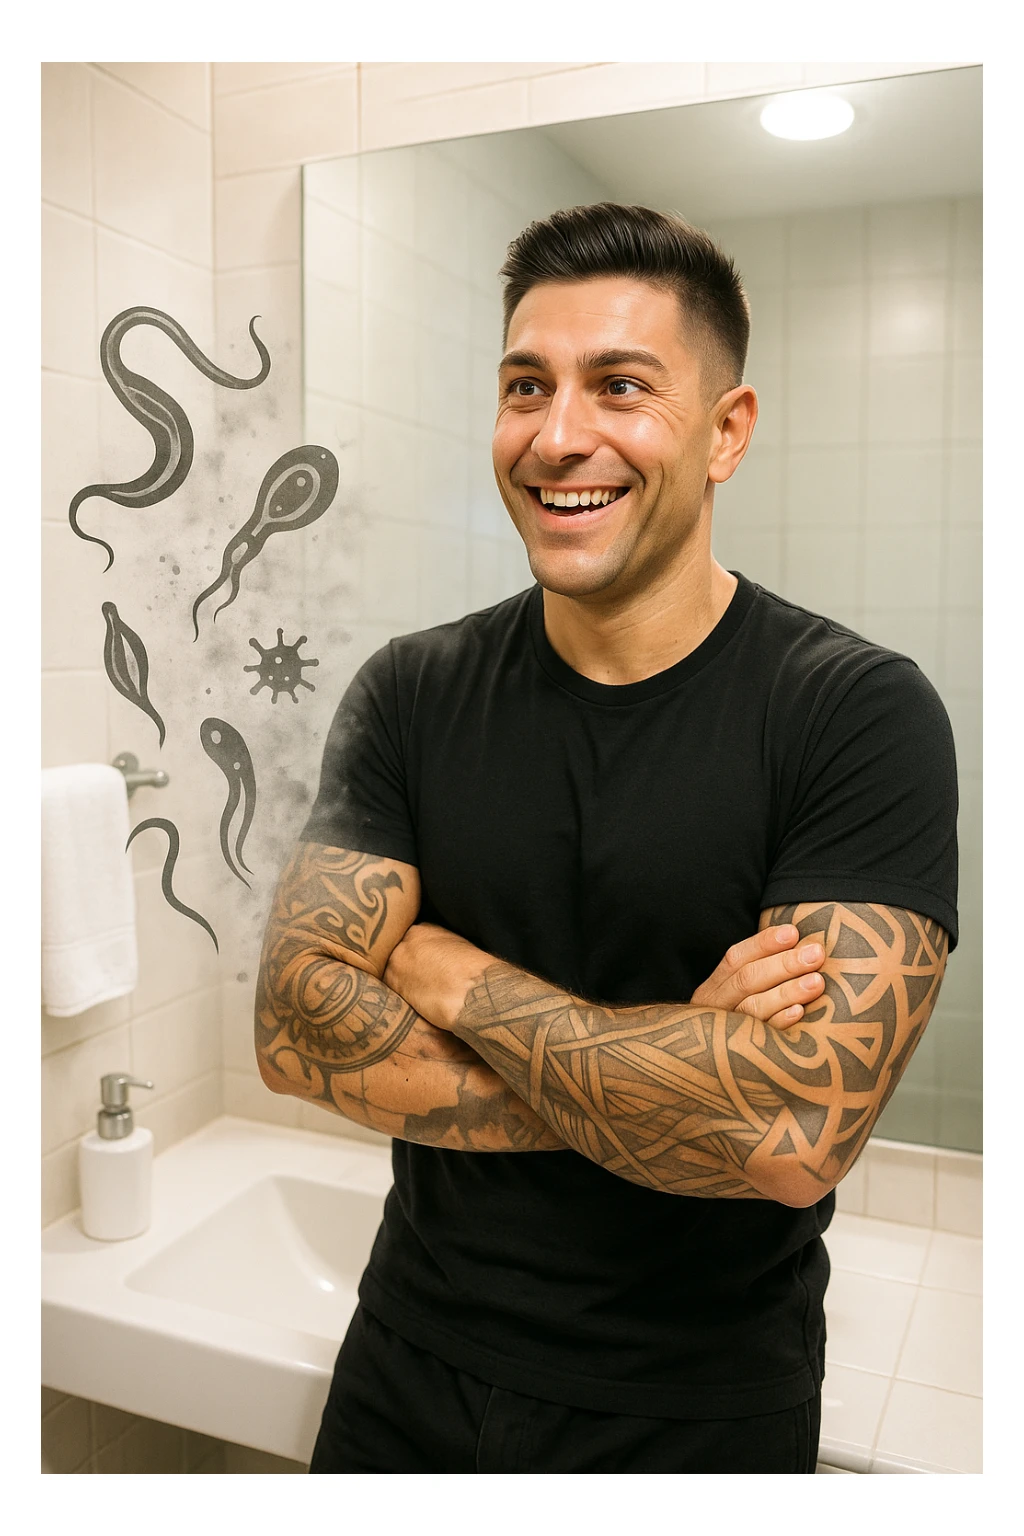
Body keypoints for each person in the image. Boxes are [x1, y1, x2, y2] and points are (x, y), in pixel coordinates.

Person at [254, 203, 958, 1474]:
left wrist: (443, 972)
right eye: (526, 385)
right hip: (405, 1362)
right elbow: (296, 1035)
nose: (558, 435)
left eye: (620, 387)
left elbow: (789, 1140)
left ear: (725, 432)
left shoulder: (852, 709)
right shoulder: (409, 692)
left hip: (692, 1406)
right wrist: (680, 1075)